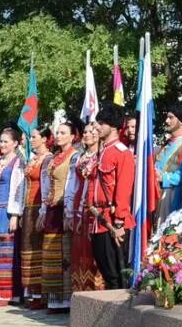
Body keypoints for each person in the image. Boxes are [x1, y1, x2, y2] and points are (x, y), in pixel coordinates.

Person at [88, 109, 134, 289]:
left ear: (113, 126)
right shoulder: (103, 151)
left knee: (117, 274)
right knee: (105, 270)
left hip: (114, 220)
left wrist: (120, 222)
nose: (96, 127)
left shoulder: (121, 152)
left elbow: (123, 189)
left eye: (101, 123)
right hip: (99, 219)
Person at [0, 126, 27, 305]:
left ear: (15, 143)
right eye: (0, 141)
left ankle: (9, 293)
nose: (2, 144)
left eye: (6, 141)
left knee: (8, 252)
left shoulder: (18, 162)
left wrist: (15, 214)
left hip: (7, 210)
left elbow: (19, 189)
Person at [41, 118, 76, 313]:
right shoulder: (54, 158)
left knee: (65, 254)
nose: (58, 136)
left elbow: (71, 185)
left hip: (64, 208)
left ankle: (67, 299)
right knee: (51, 253)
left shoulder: (75, 156)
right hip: (51, 209)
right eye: (57, 132)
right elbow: (47, 186)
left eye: (63, 133)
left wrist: (67, 209)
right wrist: (43, 210)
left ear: (72, 136)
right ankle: (54, 299)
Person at [68, 120, 105, 295]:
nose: (87, 134)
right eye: (85, 132)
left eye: (92, 132)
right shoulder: (80, 157)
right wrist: (70, 211)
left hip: (94, 207)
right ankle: (81, 293)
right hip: (79, 207)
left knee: (94, 251)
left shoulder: (101, 156)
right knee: (80, 252)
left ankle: (97, 292)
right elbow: (74, 185)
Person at [17, 129, 50, 306]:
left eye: (34, 137)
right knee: (28, 248)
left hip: (39, 206)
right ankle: (30, 291)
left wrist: (43, 211)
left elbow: (46, 186)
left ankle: (40, 293)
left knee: (38, 248)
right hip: (29, 207)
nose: (31, 140)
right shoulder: (33, 158)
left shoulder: (48, 159)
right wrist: (22, 210)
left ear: (44, 139)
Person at [154, 104, 182, 221]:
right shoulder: (166, 143)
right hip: (157, 196)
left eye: (171, 117)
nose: (166, 121)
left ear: (180, 121)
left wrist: (162, 178)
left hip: (172, 198)